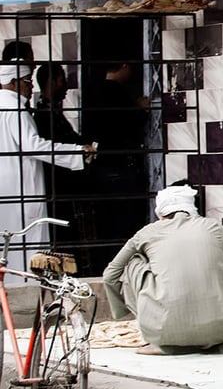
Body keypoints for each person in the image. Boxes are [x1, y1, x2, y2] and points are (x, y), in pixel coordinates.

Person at [103, 184, 223, 355]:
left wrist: (121, 311)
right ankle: (220, 332)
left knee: (133, 262)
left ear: (160, 213)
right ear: (192, 209)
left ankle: (159, 331)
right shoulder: (213, 227)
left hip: (162, 329)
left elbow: (110, 274)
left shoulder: (147, 232)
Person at [0, 62, 93, 271]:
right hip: (23, 190)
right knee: (29, 251)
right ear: (14, 83)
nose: (31, 87)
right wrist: (77, 153)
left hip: (6, 193)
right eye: (27, 82)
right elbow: (34, 146)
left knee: (9, 249)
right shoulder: (14, 110)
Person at [82, 61, 150, 272]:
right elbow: (128, 125)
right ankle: (125, 267)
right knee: (125, 221)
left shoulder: (91, 92)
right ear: (124, 66)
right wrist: (141, 109)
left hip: (101, 166)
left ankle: (106, 266)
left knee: (106, 221)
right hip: (120, 166)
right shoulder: (118, 93)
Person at [33, 63, 84, 239]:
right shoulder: (43, 116)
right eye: (62, 80)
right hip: (57, 187)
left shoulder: (51, 113)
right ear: (52, 82)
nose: (66, 86)